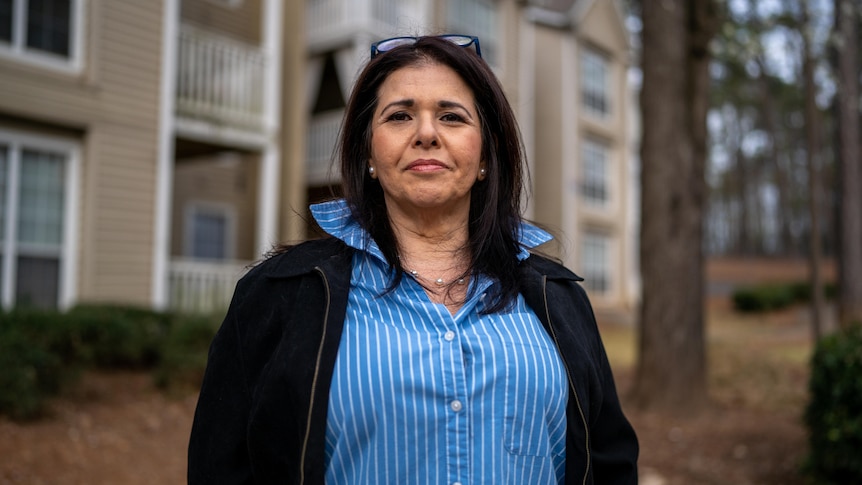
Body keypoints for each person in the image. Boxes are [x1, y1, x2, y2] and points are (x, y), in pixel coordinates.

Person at [188, 34, 638, 484]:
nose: (426, 133)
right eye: (400, 115)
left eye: (451, 116)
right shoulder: (278, 295)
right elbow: (223, 467)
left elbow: (609, 462)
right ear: (368, 151)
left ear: (485, 154)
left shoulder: (557, 297)